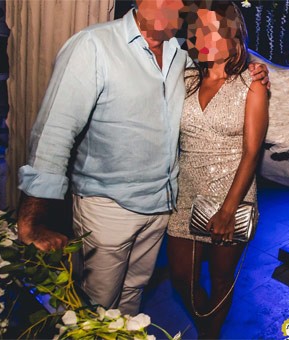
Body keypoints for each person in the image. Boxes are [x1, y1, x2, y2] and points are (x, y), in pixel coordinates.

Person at [16, 0, 268, 316]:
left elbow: (227, 64)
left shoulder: (180, 59)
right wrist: (31, 217)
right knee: (96, 307)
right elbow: (54, 131)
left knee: (132, 300)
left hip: (161, 208)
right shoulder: (94, 45)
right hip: (108, 208)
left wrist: (256, 66)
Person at [165, 1, 269, 338]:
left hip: (231, 198)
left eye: (212, 29)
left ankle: (210, 335)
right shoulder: (186, 78)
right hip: (185, 196)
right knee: (181, 276)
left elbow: (252, 153)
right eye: (197, 31)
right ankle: (206, 325)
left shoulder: (252, 85)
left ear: (233, 35)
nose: (202, 37)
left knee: (222, 278)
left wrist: (228, 210)